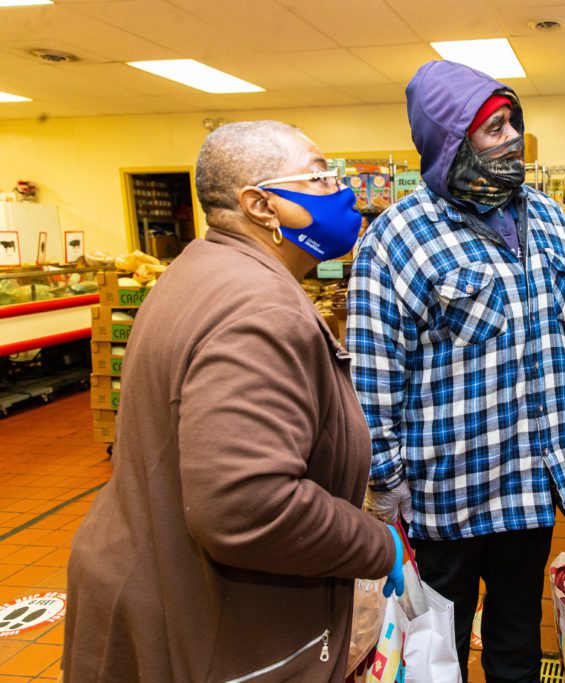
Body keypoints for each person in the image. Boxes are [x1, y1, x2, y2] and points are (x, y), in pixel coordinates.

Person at [347, 61, 565, 683]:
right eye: (492, 128)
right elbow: (373, 374)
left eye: (511, 124)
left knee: (517, 639)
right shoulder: (396, 240)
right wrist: (384, 477)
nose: (510, 141)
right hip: (447, 496)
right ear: (451, 144)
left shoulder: (541, 213)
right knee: (433, 648)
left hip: (531, 481)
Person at [63, 121, 405, 682]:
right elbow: (248, 504)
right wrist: (376, 543)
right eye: (319, 178)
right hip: (201, 625)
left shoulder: (200, 269)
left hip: (157, 588)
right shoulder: (262, 311)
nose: (344, 194)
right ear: (260, 204)